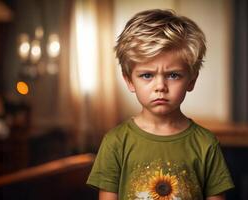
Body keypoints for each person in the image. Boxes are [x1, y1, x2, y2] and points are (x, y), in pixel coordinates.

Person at [87, 9, 234, 200]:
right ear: (130, 81)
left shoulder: (206, 144)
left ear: (191, 80)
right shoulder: (115, 142)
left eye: (173, 75)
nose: (160, 87)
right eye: (147, 75)